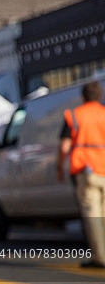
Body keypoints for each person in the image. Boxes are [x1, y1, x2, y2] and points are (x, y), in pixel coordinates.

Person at [56, 81, 105, 268]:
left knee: (93, 216)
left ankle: (100, 258)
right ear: (99, 96)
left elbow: (64, 146)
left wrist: (60, 167)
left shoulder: (75, 116)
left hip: (87, 172)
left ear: (83, 97)